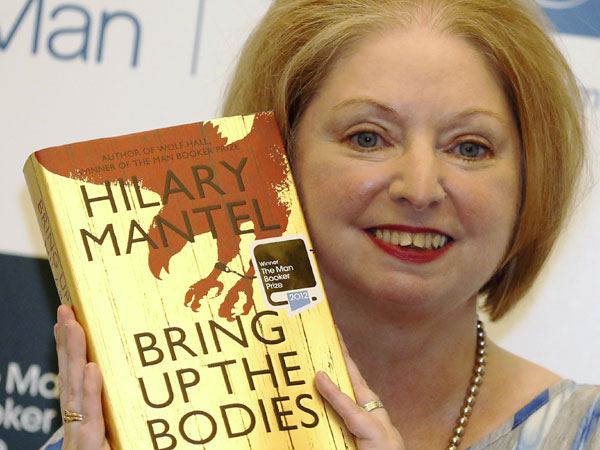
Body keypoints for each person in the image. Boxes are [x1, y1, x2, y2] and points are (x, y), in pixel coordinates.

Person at [44, 0, 599, 449]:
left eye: (469, 147)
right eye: (368, 138)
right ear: (275, 158)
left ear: (531, 181)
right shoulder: (131, 431)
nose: (420, 188)